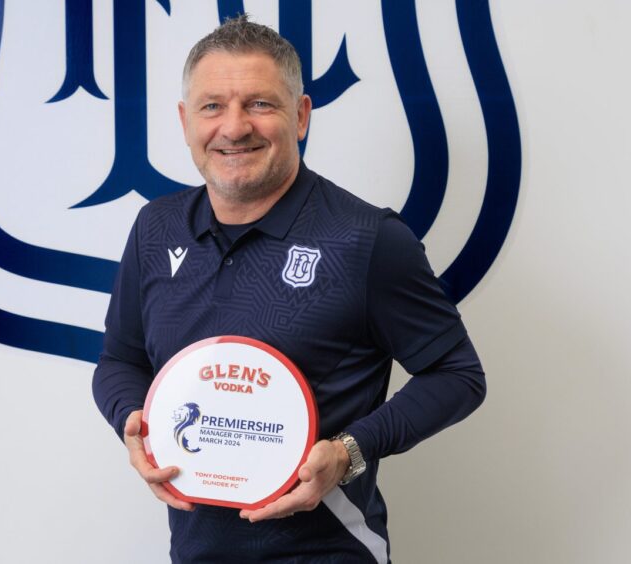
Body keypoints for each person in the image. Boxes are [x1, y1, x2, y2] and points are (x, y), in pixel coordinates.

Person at [93, 14, 486, 563]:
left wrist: (350, 452)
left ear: (300, 115)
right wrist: (131, 421)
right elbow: (119, 360)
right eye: (212, 106)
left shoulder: (367, 240)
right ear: (185, 121)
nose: (234, 127)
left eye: (259, 103)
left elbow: (458, 376)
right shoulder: (155, 229)